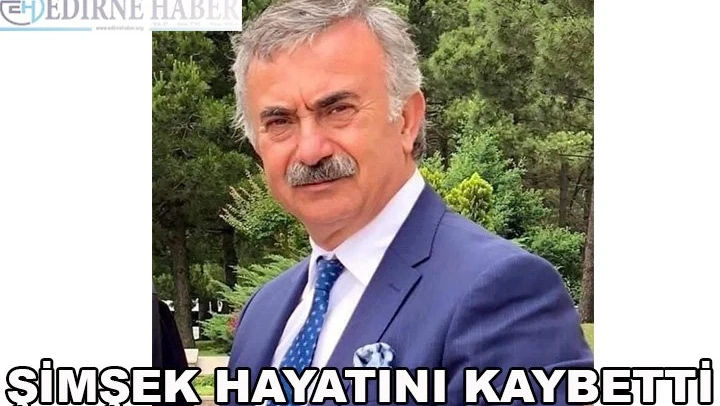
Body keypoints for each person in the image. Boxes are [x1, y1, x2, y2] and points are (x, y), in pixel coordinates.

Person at [227, 0, 594, 404]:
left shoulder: (504, 292)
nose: (311, 150)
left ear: (407, 120)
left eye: (338, 110)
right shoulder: (263, 314)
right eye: (280, 122)